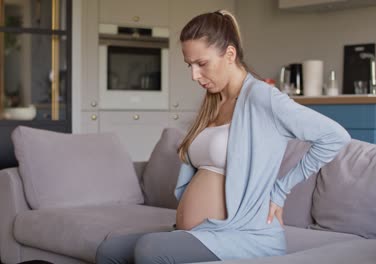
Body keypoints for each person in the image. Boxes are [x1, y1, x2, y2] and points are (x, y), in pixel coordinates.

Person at [96, 9, 351, 264]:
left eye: (202, 64)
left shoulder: (262, 98)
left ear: (230, 54)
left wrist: (280, 191)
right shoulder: (213, 102)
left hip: (245, 235)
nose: (194, 75)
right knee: (109, 250)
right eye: (190, 65)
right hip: (200, 232)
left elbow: (334, 136)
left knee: (150, 250)